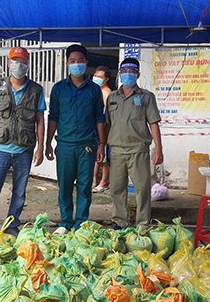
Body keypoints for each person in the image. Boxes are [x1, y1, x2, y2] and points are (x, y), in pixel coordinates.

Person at [0, 46, 46, 237]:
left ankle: (11, 228)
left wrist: (40, 148)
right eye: (15, 61)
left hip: (24, 149)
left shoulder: (36, 90)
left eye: (22, 61)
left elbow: (40, 120)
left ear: (28, 65)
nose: (19, 65)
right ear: (8, 63)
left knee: (20, 193)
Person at [46, 44, 106, 232]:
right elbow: (53, 117)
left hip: (87, 146)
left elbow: (99, 118)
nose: (76, 64)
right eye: (72, 61)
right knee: (64, 186)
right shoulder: (59, 89)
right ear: (67, 64)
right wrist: (47, 143)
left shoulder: (94, 90)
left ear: (86, 62)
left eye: (80, 61)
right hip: (65, 145)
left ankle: (81, 223)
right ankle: (65, 222)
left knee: (84, 187)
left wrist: (101, 144)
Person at [106, 58, 163, 228]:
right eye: (124, 72)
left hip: (138, 149)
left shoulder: (146, 97)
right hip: (116, 150)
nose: (127, 75)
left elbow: (153, 123)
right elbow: (108, 123)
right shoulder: (112, 97)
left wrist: (158, 149)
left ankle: (143, 223)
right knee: (116, 189)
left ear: (137, 74)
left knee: (142, 189)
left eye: (131, 72)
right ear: (120, 74)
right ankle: (119, 221)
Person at [91, 65, 113, 193]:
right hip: (94, 129)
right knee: (97, 157)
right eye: (95, 76)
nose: (97, 78)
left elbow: (106, 115)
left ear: (106, 79)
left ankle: (104, 182)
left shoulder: (107, 93)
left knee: (104, 159)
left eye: (100, 77)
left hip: (104, 129)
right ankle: (94, 180)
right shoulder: (94, 91)